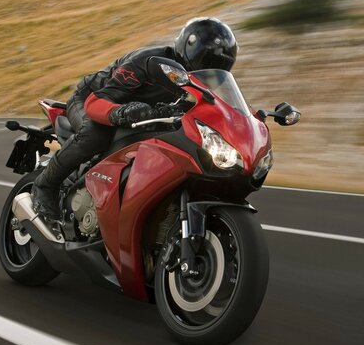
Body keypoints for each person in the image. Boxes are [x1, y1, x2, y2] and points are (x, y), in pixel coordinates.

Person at [32, 17, 239, 220]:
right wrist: (120, 112)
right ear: (190, 49)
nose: (210, 73)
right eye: (207, 62)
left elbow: (214, 111)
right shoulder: (147, 62)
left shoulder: (201, 83)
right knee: (97, 133)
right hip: (89, 98)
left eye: (217, 68)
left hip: (138, 114)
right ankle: (44, 186)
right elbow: (96, 101)